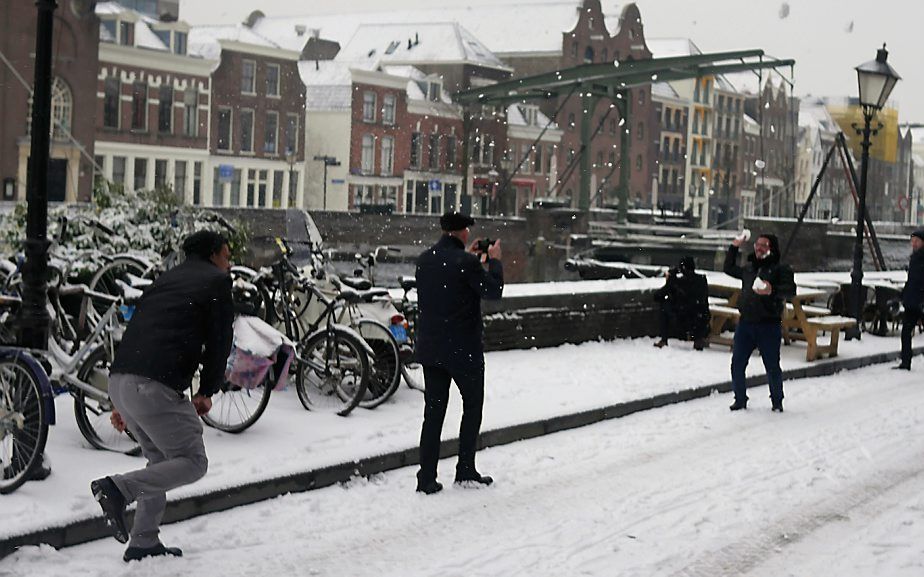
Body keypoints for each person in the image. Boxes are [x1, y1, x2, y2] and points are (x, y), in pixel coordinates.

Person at [91, 230, 234, 562]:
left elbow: (142, 331)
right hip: (153, 385)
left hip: (123, 378)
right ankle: (118, 489)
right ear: (213, 255)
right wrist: (207, 391)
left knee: (159, 463)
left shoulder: (166, 280)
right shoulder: (216, 281)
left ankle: (143, 540)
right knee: (193, 462)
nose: (229, 264)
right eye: (227, 256)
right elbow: (219, 341)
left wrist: (122, 399)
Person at [414, 211, 504, 495]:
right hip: (463, 349)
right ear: (464, 232)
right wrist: (496, 260)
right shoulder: (465, 263)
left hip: (431, 348)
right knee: (472, 406)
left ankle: (426, 477)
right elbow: (493, 291)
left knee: (434, 412)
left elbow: (446, 285)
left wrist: (470, 257)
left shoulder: (425, 260)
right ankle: (465, 469)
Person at [724, 233, 795, 412]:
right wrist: (734, 246)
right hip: (746, 323)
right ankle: (740, 398)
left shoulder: (780, 268)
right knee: (737, 363)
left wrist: (772, 290)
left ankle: (777, 401)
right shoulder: (749, 268)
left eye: (764, 245)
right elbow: (729, 268)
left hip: (768, 325)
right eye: (757, 244)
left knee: (772, 366)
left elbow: (790, 290)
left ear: (772, 248)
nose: (759, 248)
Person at [653, 256, 710, 350]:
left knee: (664, 305)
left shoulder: (677, 282)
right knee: (698, 309)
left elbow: (657, 296)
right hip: (701, 322)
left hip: (683, 322)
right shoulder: (701, 280)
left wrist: (670, 280)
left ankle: (664, 339)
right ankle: (698, 339)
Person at [896, 229, 924, 370]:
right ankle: (905, 362)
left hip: (921, 301)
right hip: (912, 301)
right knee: (906, 332)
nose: (914, 244)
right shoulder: (914, 259)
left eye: (916, 241)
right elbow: (911, 280)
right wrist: (904, 295)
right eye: (912, 241)